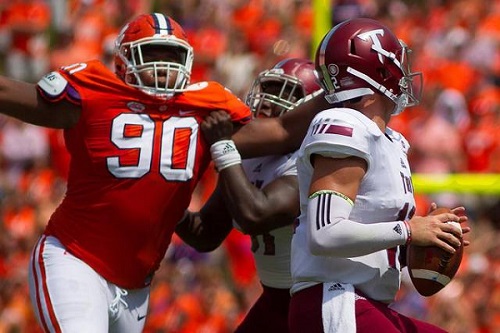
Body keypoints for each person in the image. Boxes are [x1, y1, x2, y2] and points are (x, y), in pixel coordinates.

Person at [200, 18, 471, 333]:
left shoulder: (389, 140)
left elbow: (373, 241)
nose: (404, 73)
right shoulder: (344, 125)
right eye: (397, 62)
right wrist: (410, 230)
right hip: (336, 301)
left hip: (361, 300)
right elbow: (325, 233)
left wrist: (431, 237)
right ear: (379, 72)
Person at [0, 13, 251, 332]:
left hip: (136, 287)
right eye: (152, 53)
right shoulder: (94, 91)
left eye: (171, 55)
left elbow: (276, 134)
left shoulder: (205, 105)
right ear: (124, 61)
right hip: (75, 259)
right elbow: (14, 93)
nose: (164, 65)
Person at [176, 57, 321, 333]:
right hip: (274, 300)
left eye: (282, 94)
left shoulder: (314, 158)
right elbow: (206, 232)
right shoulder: (253, 156)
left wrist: (223, 148)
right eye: (267, 90)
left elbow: (256, 214)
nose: (266, 102)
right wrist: (163, 202)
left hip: (316, 301)